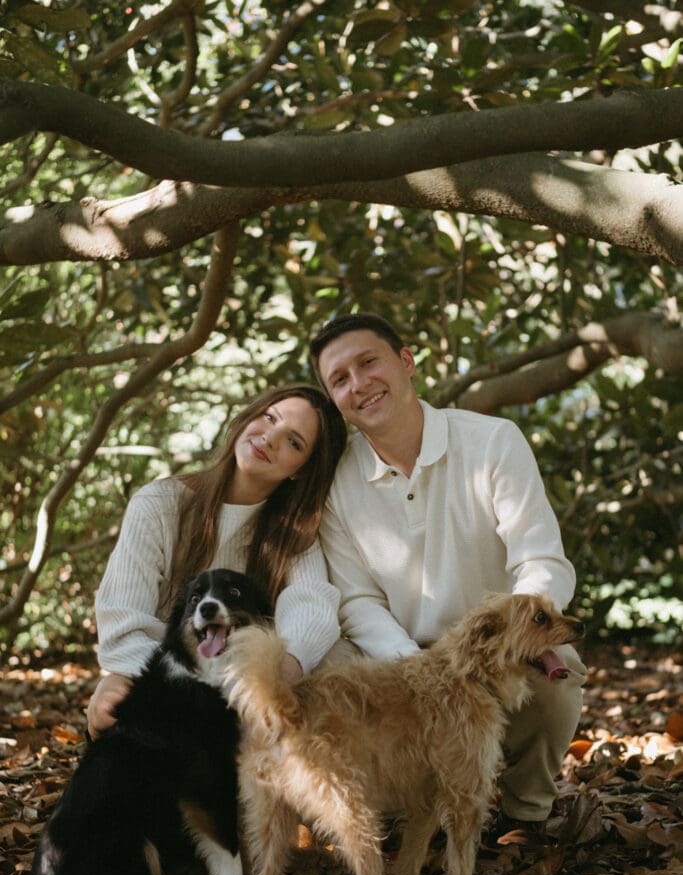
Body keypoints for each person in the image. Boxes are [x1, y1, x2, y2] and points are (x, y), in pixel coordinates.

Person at [310, 313, 586, 834]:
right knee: (329, 666)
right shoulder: (337, 484)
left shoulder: (492, 442)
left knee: (558, 670)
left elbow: (540, 558)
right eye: (339, 379)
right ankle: (392, 805)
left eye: (369, 362)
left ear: (406, 361)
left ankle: (524, 816)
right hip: (403, 655)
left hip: (500, 642)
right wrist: (416, 668)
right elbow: (356, 600)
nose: (359, 384)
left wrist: (515, 638)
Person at [87, 383, 347, 739]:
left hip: (246, 692)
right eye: (269, 417)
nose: (270, 437)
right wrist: (190, 690)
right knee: (109, 701)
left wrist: (276, 673)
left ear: (300, 470)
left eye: (294, 442)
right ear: (248, 417)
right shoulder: (159, 505)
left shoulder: (292, 534)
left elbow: (312, 606)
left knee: (336, 666)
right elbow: (126, 624)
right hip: (170, 682)